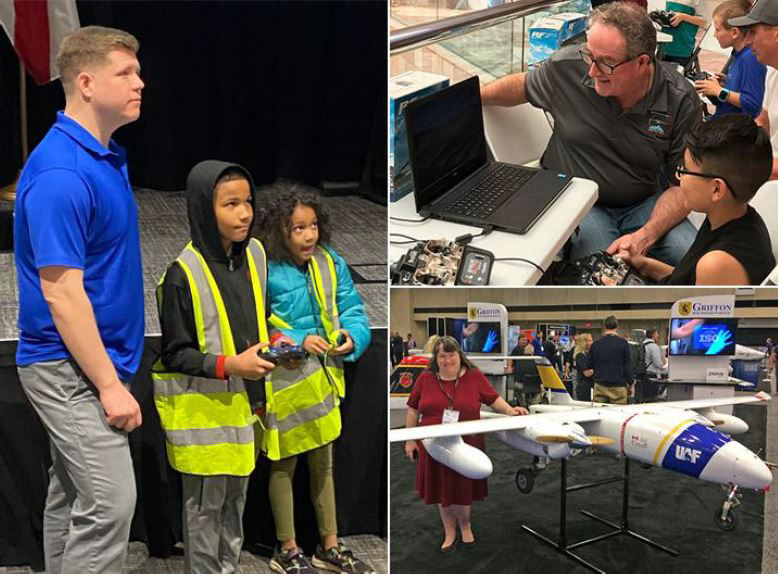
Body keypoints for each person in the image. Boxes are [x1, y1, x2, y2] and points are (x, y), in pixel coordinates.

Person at [13, 26, 144, 573]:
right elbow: (61, 293)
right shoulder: (62, 174)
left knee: (71, 499)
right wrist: (110, 386)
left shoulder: (102, 156)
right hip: (68, 368)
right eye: (126, 73)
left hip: (95, 361)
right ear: (86, 83)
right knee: (111, 502)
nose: (141, 82)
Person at [481, 1, 702, 265]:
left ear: (643, 62)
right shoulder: (567, 67)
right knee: (598, 265)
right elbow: (522, 86)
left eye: (607, 63)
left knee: (692, 258)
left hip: (643, 202)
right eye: (589, 55)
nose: (592, 71)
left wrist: (646, 235)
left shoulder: (679, 100)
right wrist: (471, 96)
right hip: (574, 193)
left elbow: (686, 185)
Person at [152, 161, 277, 572]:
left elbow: (260, 316)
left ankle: (228, 568)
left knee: (234, 506)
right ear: (205, 208)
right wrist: (232, 365)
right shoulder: (181, 274)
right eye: (230, 204)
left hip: (245, 411)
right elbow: (175, 353)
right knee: (205, 512)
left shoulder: (255, 254)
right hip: (205, 419)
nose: (245, 213)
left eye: (248, 202)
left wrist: (282, 342)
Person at [254, 181, 373, 574]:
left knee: (324, 465)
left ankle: (329, 545)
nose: (308, 236)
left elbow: (352, 308)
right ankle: (287, 548)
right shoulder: (264, 269)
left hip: (323, 384)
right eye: (297, 228)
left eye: (312, 226)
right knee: (283, 466)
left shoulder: (330, 261)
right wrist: (292, 343)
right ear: (277, 231)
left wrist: (349, 338)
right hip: (284, 386)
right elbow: (254, 329)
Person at [614, 114, 775, 284]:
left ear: (716, 189)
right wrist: (644, 264)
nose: (679, 177)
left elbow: (687, 305)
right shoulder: (735, 218)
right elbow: (690, 280)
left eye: (685, 170)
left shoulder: (718, 264)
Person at [404, 336, 527, 552]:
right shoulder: (425, 378)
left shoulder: (474, 376)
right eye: (442, 355)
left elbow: (493, 399)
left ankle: (465, 525)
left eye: (452, 354)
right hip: (433, 445)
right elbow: (413, 409)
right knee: (441, 490)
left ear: (459, 355)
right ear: (436, 357)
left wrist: (510, 410)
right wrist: (410, 439)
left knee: (462, 488)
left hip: (467, 443)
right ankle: (449, 531)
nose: (448, 360)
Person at [729, 0, 778, 180]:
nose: (747, 40)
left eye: (753, 32)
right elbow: (763, 122)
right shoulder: (773, 71)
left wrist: (742, 167)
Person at [695, 0, 766, 120]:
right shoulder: (738, 55)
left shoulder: (750, 58)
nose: (714, 35)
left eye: (717, 29)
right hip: (724, 122)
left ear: (734, 32)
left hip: (732, 130)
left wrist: (719, 91)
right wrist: (728, 83)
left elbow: (753, 105)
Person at [588, 316, 633, 404]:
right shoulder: (623, 344)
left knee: (600, 413)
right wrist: (631, 383)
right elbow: (627, 366)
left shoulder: (595, 344)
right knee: (617, 415)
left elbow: (589, 365)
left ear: (604, 326)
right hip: (618, 387)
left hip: (600, 386)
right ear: (616, 326)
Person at [660, 0, 708, 67]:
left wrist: (682, 17)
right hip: (663, 46)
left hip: (682, 48)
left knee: (677, 75)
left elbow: (703, 21)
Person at [573, 333, 595, 402]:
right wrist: (599, 369)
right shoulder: (580, 356)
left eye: (592, 340)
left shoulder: (589, 354)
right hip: (585, 388)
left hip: (591, 386)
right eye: (590, 341)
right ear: (584, 343)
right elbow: (587, 373)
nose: (592, 342)